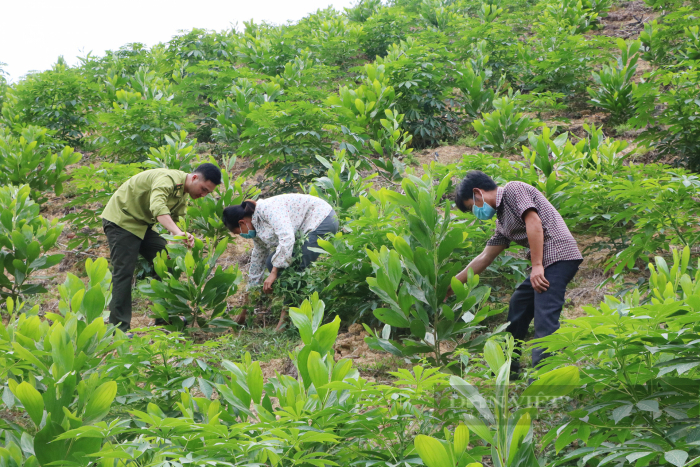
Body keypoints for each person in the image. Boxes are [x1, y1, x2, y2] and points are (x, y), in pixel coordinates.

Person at [449, 170, 582, 375]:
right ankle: (507, 369)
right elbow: (485, 257)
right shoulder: (501, 220)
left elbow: (533, 222)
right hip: (544, 262)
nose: (476, 212)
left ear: (478, 193)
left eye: (471, 206)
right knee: (518, 304)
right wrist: (451, 287)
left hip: (558, 255)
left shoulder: (513, 189)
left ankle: (543, 379)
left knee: (544, 316)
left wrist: (537, 265)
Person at [101, 163, 222, 333]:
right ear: (194, 177)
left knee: (167, 261)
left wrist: (179, 239)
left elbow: (177, 220)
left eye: (207, 193)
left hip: (144, 225)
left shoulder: (182, 193)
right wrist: (178, 233)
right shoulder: (167, 179)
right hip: (122, 221)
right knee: (123, 273)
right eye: (203, 189)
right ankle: (119, 330)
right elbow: (158, 209)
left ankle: (165, 317)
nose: (203, 195)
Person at [223, 194, 339, 330]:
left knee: (294, 268)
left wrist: (273, 273)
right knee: (271, 262)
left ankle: (285, 322)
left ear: (242, 222)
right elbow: (257, 262)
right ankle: (294, 310)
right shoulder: (256, 227)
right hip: (304, 229)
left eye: (239, 233)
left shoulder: (267, 209)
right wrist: (245, 309)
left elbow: (287, 238)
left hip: (321, 219)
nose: (242, 236)